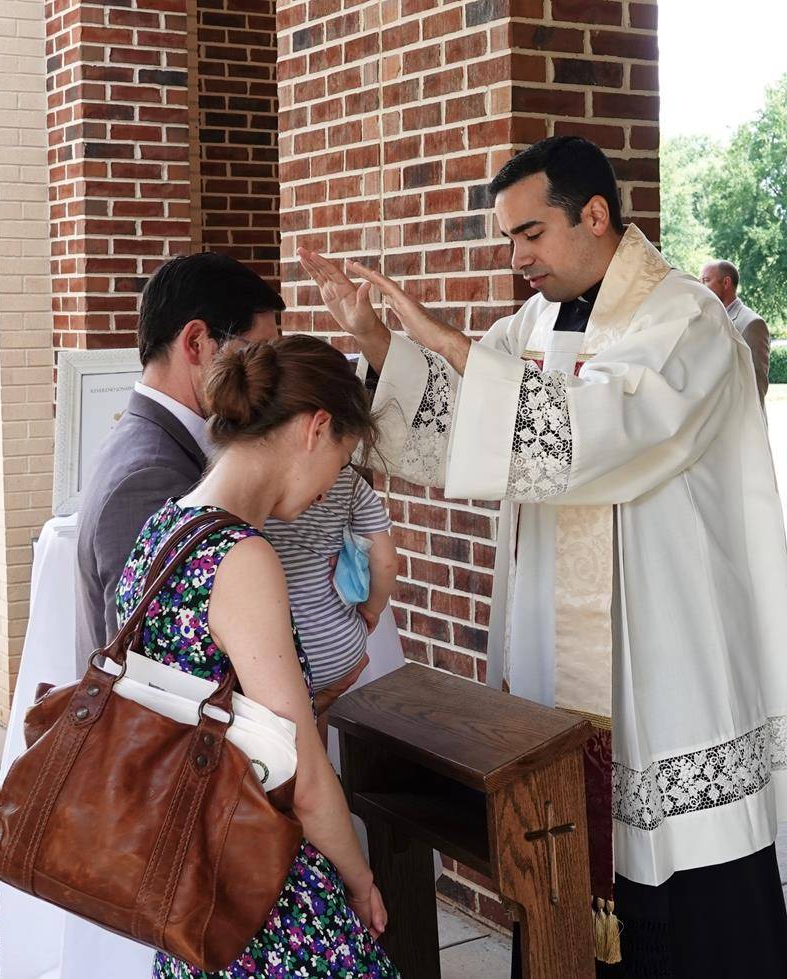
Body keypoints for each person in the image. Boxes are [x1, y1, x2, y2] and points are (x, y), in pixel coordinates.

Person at [299, 136, 787, 978]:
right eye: (507, 240)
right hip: (557, 674)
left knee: (692, 899)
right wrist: (382, 344)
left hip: (667, 662)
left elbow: (601, 428)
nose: (516, 257)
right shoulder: (533, 322)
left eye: (529, 233)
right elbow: (464, 421)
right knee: (565, 880)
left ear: (594, 215)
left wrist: (454, 346)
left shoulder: (683, 318)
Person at [116, 334, 400, 979]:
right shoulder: (242, 556)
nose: (331, 491)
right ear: (317, 427)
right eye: (343, 459)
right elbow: (301, 772)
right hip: (257, 877)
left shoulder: (166, 527)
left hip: (192, 871)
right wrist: (359, 878)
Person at [75, 252, 284, 671]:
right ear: (196, 343)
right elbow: (151, 663)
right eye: (258, 354)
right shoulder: (150, 475)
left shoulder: (152, 442)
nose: (270, 377)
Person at [265, 465, 399, 743]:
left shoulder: (259, 481)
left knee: (292, 739)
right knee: (316, 722)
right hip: (340, 643)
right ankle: (321, 767)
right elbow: (385, 562)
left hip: (287, 651)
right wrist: (372, 608)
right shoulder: (349, 480)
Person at [700, 259, 770, 405]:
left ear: (726, 283)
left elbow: (757, 384)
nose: (701, 286)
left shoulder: (752, 323)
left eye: (706, 280)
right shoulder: (709, 318)